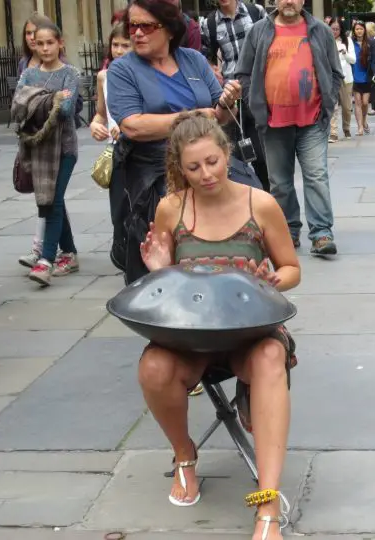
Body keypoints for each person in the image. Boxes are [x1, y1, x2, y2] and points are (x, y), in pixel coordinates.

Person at [138, 111, 299, 540]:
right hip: (191, 333)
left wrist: (273, 280)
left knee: (270, 356)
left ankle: (266, 503)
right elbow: (165, 290)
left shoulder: (258, 204)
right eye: (193, 167)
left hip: (250, 329)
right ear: (179, 167)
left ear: (226, 154)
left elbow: (291, 269)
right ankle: (185, 455)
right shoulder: (171, 209)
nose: (205, 174)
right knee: (153, 366)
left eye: (212, 162)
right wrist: (158, 268)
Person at [107, 0, 239, 285]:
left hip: (206, 161)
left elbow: (220, 116)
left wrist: (229, 102)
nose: (137, 33)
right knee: (166, 244)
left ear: (168, 29)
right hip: (153, 169)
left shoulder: (193, 59)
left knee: (246, 206)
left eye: (146, 26)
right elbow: (132, 126)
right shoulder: (123, 70)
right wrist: (191, 116)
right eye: (133, 26)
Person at [233, 0, 343, 255]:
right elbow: (244, 72)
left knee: (316, 176)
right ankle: (288, 231)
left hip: (313, 119)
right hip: (272, 122)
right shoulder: (259, 30)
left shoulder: (319, 30)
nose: (289, 1)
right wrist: (255, 104)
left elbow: (335, 72)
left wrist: (328, 101)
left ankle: (321, 234)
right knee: (280, 183)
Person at [12, 21, 80, 287]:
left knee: (52, 200)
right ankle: (70, 253)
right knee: (50, 200)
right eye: (39, 43)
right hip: (37, 148)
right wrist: (52, 98)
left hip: (64, 148)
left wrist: (37, 100)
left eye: (49, 42)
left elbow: (65, 112)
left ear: (60, 43)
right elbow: (18, 108)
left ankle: (46, 261)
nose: (44, 48)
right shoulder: (28, 75)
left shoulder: (70, 73)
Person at [200, 0, 270, 191]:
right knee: (234, 154)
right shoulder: (210, 23)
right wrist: (213, 70)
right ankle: (240, 202)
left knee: (262, 155)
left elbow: (272, 42)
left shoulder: (255, 12)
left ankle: (267, 201)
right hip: (230, 94)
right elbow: (208, 55)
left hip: (257, 89)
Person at [90, 23, 131, 146]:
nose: (119, 51)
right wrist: (95, 125)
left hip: (140, 147)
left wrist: (126, 128)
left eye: (125, 46)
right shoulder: (103, 76)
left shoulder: (143, 75)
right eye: (115, 45)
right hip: (114, 145)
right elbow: (101, 114)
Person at [329, 17, 355, 142]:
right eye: (332, 28)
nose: (334, 31)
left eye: (337, 29)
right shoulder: (326, 40)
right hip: (331, 77)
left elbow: (353, 60)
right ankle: (333, 132)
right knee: (332, 106)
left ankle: (346, 128)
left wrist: (344, 52)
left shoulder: (347, 41)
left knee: (346, 107)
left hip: (345, 77)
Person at [350, 21, 375, 136]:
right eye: (357, 29)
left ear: (364, 30)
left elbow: (374, 60)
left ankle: (364, 120)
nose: (359, 31)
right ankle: (360, 127)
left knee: (365, 102)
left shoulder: (370, 42)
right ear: (354, 31)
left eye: (361, 29)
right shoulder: (351, 42)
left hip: (366, 75)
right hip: (355, 75)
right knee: (357, 102)